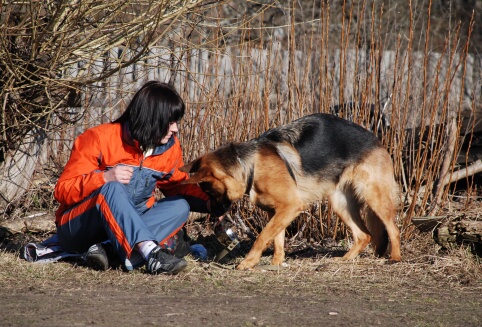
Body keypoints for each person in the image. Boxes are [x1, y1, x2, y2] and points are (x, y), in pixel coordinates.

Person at [54, 81, 212, 275]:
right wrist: (104, 177)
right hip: (80, 227)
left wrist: (211, 200)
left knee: (180, 206)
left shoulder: (170, 148)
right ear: (153, 118)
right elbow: (62, 191)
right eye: (171, 122)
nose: (176, 129)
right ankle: (151, 253)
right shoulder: (99, 138)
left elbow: (177, 186)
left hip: (128, 226)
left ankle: (109, 251)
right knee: (112, 187)